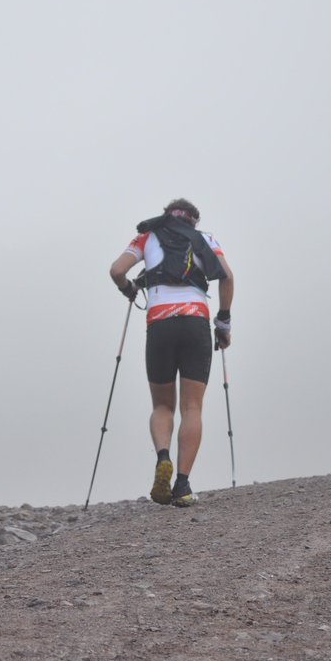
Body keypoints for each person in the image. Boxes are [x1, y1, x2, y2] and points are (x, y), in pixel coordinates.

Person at [109, 198, 234, 507]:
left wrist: (128, 288)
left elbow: (116, 270)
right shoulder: (205, 239)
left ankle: (162, 457)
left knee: (163, 405)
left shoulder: (147, 236)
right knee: (192, 408)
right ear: (193, 220)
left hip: (160, 324)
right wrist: (223, 321)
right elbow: (227, 277)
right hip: (195, 323)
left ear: (166, 217)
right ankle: (182, 485)